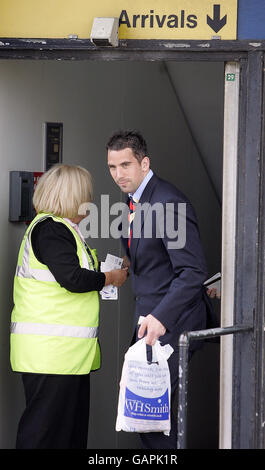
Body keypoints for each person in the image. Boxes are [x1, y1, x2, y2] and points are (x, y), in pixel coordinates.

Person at [107, 130, 214, 449]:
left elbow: (193, 270)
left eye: (125, 165)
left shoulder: (168, 201)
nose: (118, 174)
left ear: (144, 163)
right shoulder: (131, 202)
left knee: (155, 421)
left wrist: (162, 317)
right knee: (145, 415)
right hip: (150, 318)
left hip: (173, 320)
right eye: (112, 167)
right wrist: (126, 267)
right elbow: (149, 253)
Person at [10, 164, 128, 449]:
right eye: (87, 194)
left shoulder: (62, 230)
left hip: (64, 357)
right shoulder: (50, 230)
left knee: (66, 435)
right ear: (73, 197)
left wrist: (110, 269)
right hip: (51, 356)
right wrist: (109, 278)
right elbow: (73, 277)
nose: (89, 200)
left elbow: (74, 268)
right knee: (45, 435)